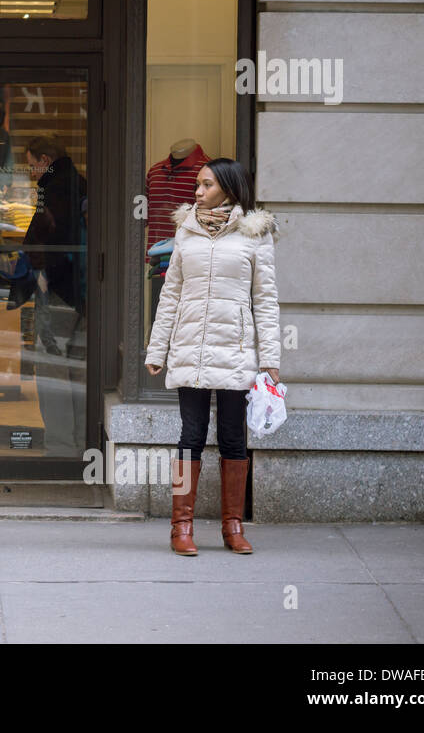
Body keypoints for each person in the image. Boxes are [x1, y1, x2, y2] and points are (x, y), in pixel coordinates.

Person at [144, 158, 280, 556]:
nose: (198, 192)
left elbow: (266, 300)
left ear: (228, 188)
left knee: (234, 439)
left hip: (236, 350)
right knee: (191, 436)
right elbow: (170, 295)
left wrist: (270, 357)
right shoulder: (185, 230)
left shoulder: (255, 234)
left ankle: (232, 526)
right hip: (191, 347)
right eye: (198, 185)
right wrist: (158, 348)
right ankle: (180, 527)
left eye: (206, 185)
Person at [22, 136, 87, 456]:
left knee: (50, 366)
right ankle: (79, 441)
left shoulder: (54, 186)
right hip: (82, 289)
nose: (30, 170)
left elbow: (50, 234)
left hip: (59, 287)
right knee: (76, 367)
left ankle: (61, 446)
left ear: (45, 159)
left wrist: (43, 272)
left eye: (31, 162)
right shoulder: (80, 182)